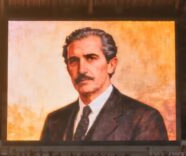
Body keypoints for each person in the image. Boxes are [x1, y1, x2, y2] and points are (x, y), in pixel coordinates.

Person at [40, 27, 168, 142]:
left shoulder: (145, 119)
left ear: (111, 65)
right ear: (68, 69)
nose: (81, 70)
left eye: (91, 58)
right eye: (73, 61)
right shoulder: (54, 120)